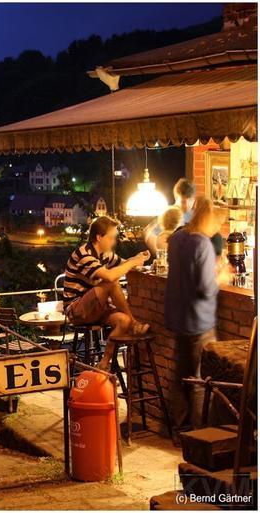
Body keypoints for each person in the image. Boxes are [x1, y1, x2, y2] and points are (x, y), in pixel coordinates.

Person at [164, 197, 230, 430]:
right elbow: (205, 288)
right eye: (217, 224)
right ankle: (199, 433)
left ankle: (177, 429)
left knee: (180, 376)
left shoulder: (177, 238)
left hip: (177, 318)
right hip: (199, 321)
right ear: (208, 219)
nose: (217, 229)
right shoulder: (201, 243)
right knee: (201, 381)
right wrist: (220, 277)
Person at [63, 216, 151, 370]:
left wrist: (137, 259)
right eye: (111, 238)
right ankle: (135, 323)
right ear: (99, 237)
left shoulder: (105, 255)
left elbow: (123, 264)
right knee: (111, 281)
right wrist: (131, 263)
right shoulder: (84, 255)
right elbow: (111, 276)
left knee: (123, 321)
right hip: (76, 310)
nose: (114, 242)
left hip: (96, 307)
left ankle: (104, 363)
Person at [145, 178, 196, 255]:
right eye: (183, 202)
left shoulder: (195, 216)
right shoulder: (169, 214)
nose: (187, 205)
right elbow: (149, 235)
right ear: (176, 198)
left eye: (191, 200)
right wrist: (162, 257)